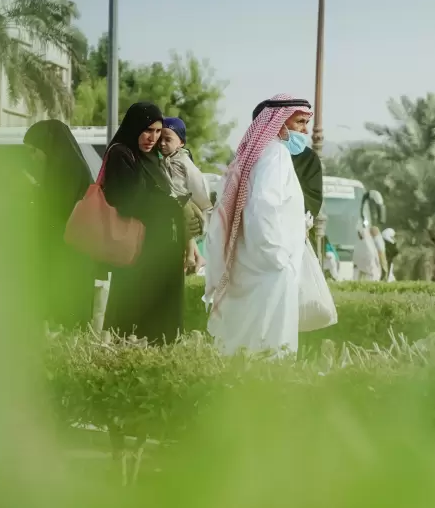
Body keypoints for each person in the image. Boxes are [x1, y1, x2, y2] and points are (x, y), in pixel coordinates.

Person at [206, 95, 312, 357]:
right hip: (269, 266)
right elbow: (265, 206)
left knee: (244, 343)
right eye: (299, 122)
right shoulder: (275, 154)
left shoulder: (261, 153)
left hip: (252, 262)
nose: (305, 131)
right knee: (272, 347)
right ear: (278, 122)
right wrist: (278, 258)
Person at [101, 102, 186, 344]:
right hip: (139, 249)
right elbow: (126, 199)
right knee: (136, 318)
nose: (153, 137)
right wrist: (170, 204)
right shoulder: (121, 153)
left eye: (158, 131)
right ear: (135, 127)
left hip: (159, 246)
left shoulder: (150, 157)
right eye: (147, 130)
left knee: (160, 320)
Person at [23, 120, 98, 330]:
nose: (32, 158)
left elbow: (56, 214)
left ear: (48, 147)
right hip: (74, 256)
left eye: (34, 151)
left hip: (67, 256)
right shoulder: (70, 168)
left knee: (66, 319)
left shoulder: (64, 172)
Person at [252, 98, 322, 227]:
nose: (305, 130)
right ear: (276, 124)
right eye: (300, 122)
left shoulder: (307, 159)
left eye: (306, 123)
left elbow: (310, 202)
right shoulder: (248, 158)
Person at [159, 117, 211, 273]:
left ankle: (190, 256)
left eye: (168, 139)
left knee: (187, 225)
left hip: (185, 201)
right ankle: (191, 258)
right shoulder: (165, 160)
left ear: (181, 142)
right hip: (175, 203)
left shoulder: (183, 161)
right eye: (160, 139)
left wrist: (205, 207)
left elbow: (197, 183)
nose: (162, 143)